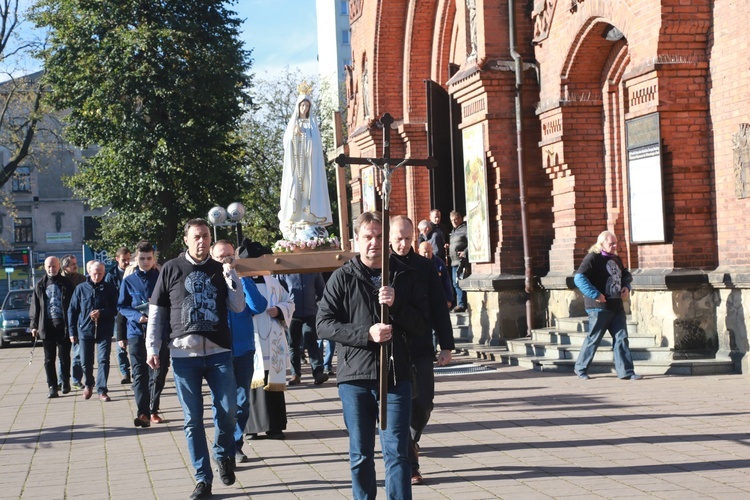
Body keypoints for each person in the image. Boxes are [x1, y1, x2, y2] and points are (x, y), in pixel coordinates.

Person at [317, 211, 427, 500]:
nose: (374, 243)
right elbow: (323, 324)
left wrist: (396, 303)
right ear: (356, 239)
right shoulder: (342, 277)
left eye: (379, 237)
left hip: (395, 376)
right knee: (361, 453)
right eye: (368, 237)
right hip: (355, 378)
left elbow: (421, 325)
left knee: (397, 453)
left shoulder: (402, 276)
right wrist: (366, 333)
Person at [146, 219, 246, 499]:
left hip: (218, 353)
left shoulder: (219, 270)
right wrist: (152, 348)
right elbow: (157, 313)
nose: (202, 241)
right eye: (197, 237)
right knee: (193, 420)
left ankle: (224, 454)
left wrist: (231, 274)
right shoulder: (170, 269)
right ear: (186, 240)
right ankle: (203, 478)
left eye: (206, 237)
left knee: (228, 412)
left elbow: (238, 307)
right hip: (184, 355)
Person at [390, 216, 455, 486]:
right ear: (390, 238)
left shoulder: (426, 267)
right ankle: (411, 465)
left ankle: (412, 441)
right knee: (401, 407)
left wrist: (447, 344)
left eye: (407, 238)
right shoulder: (382, 267)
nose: (403, 243)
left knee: (424, 403)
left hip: (421, 344)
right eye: (398, 238)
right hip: (393, 348)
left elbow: (440, 307)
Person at [210, 240, 268, 464]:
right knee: (223, 403)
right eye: (220, 256)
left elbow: (258, 307)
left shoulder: (242, 277)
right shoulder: (210, 282)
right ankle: (223, 449)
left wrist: (241, 277)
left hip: (244, 350)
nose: (225, 259)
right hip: (219, 351)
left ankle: (235, 444)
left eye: (229, 255)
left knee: (242, 403)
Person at [239, 241, 294, 441]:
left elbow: (289, 302)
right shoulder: (238, 280)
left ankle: (274, 426)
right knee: (250, 379)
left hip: (271, 337)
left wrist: (279, 310)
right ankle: (251, 426)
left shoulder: (272, 282)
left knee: (271, 380)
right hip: (250, 336)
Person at [573, 230, 642, 381]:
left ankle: (626, 372)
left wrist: (626, 286)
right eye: (612, 243)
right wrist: (594, 294)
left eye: (616, 243)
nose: (615, 246)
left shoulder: (616, 259)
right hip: (599, 307)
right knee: (594, 339)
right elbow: (579, 278)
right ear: (602, 243)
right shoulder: (593, 258)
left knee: (621, 338)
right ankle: (580, 369)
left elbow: (625, 276)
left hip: (616, 306)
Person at [118, 241, 170, 426]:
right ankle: (143, 413)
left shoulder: (162, 278)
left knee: (158, 372)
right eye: (142, 258)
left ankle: (154, 408)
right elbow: (122, 306)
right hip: (136, 332)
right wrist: (136, 316)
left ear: (154, 258)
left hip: (159, 332)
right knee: (139, 373)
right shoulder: (129, 281)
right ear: (135, 259)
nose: (146, 262)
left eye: (149, 258)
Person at [278, 86, 333, 241]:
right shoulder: (292, 126)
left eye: (307, 106)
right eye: (302, 105)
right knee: (297, 192)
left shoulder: (312, 126)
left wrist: (308, 142)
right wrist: (294, 136)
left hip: (309, 168)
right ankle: (297, 219)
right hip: (297, 168)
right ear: (298, 107)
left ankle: (310, 218)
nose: (304, 108)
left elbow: (316, 147)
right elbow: (287, 144)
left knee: (310, 192)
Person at [68, 261, 118, 401]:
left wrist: (102, 313)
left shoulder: (110, 288)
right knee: (85, 361)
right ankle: (89, 384)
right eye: (94, 273)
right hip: (85, 330)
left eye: (100, 273)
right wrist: (72, 332)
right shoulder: (80, 288)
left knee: (103, 360)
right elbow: (72, 311)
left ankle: (102, 390)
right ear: (89, 272)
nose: (97, 276)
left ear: (104, 273)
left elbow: (116, 309)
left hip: (104, 330)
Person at [30, 257, 74, 399]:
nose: (51, 269)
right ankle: (52, 386)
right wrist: (34, 325)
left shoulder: (66, 283)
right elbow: (35, 307)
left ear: (59, 266)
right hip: (47, 327)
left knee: (64, 356)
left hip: (63, 326)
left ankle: (65, 380)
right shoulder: (40, 284)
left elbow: (73, 306)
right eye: (49, 266)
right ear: (45, 267)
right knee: (49, 359)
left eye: (54, 266)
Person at [279, 272, 328, 386]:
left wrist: (322, 308)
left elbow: (322, 291)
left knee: (312, 342)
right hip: (291, 315)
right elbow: (280, 293)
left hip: (310, 313)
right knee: (293, 345)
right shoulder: (284, 274)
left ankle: (318, 373)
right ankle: (295, 374)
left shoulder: (313, 272)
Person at [106, 246, 132, 384]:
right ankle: (125, 372)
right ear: (117, 259)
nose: (127, 262)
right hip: (119, 313)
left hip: (133, 312)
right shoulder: (111, 276)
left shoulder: (134, 271)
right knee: (121, 344)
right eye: (124, 260)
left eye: (128, 259)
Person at [60, 254, 86, 391]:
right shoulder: (60, 281)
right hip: (63, 321)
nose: (76, 266)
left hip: (78, 320)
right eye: (73, 264)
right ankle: (62, 380)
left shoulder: (81, 279)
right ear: (65, 267)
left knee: (77, 353)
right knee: (62, 354)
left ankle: (76, 380)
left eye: (76, 263)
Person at [418, 241, 453, 310]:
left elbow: (446, 281)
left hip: (438, 298)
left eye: (429, 252)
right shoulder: (416, 264)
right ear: (419, 251)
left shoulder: (439, 263)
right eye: (424, 252)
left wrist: (449, 299)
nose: (427, 254)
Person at [448, 210, 469, 312]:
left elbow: (472, 242)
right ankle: (460, 303)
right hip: (454, 261)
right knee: (455, 283)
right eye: (452, 220)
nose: (454, 221)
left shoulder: (465, 229)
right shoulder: (453, 231)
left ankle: (462, 304)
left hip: (462, 261)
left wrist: (465, 252)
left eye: (456, 219)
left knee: (461, 282)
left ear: (460, 218)